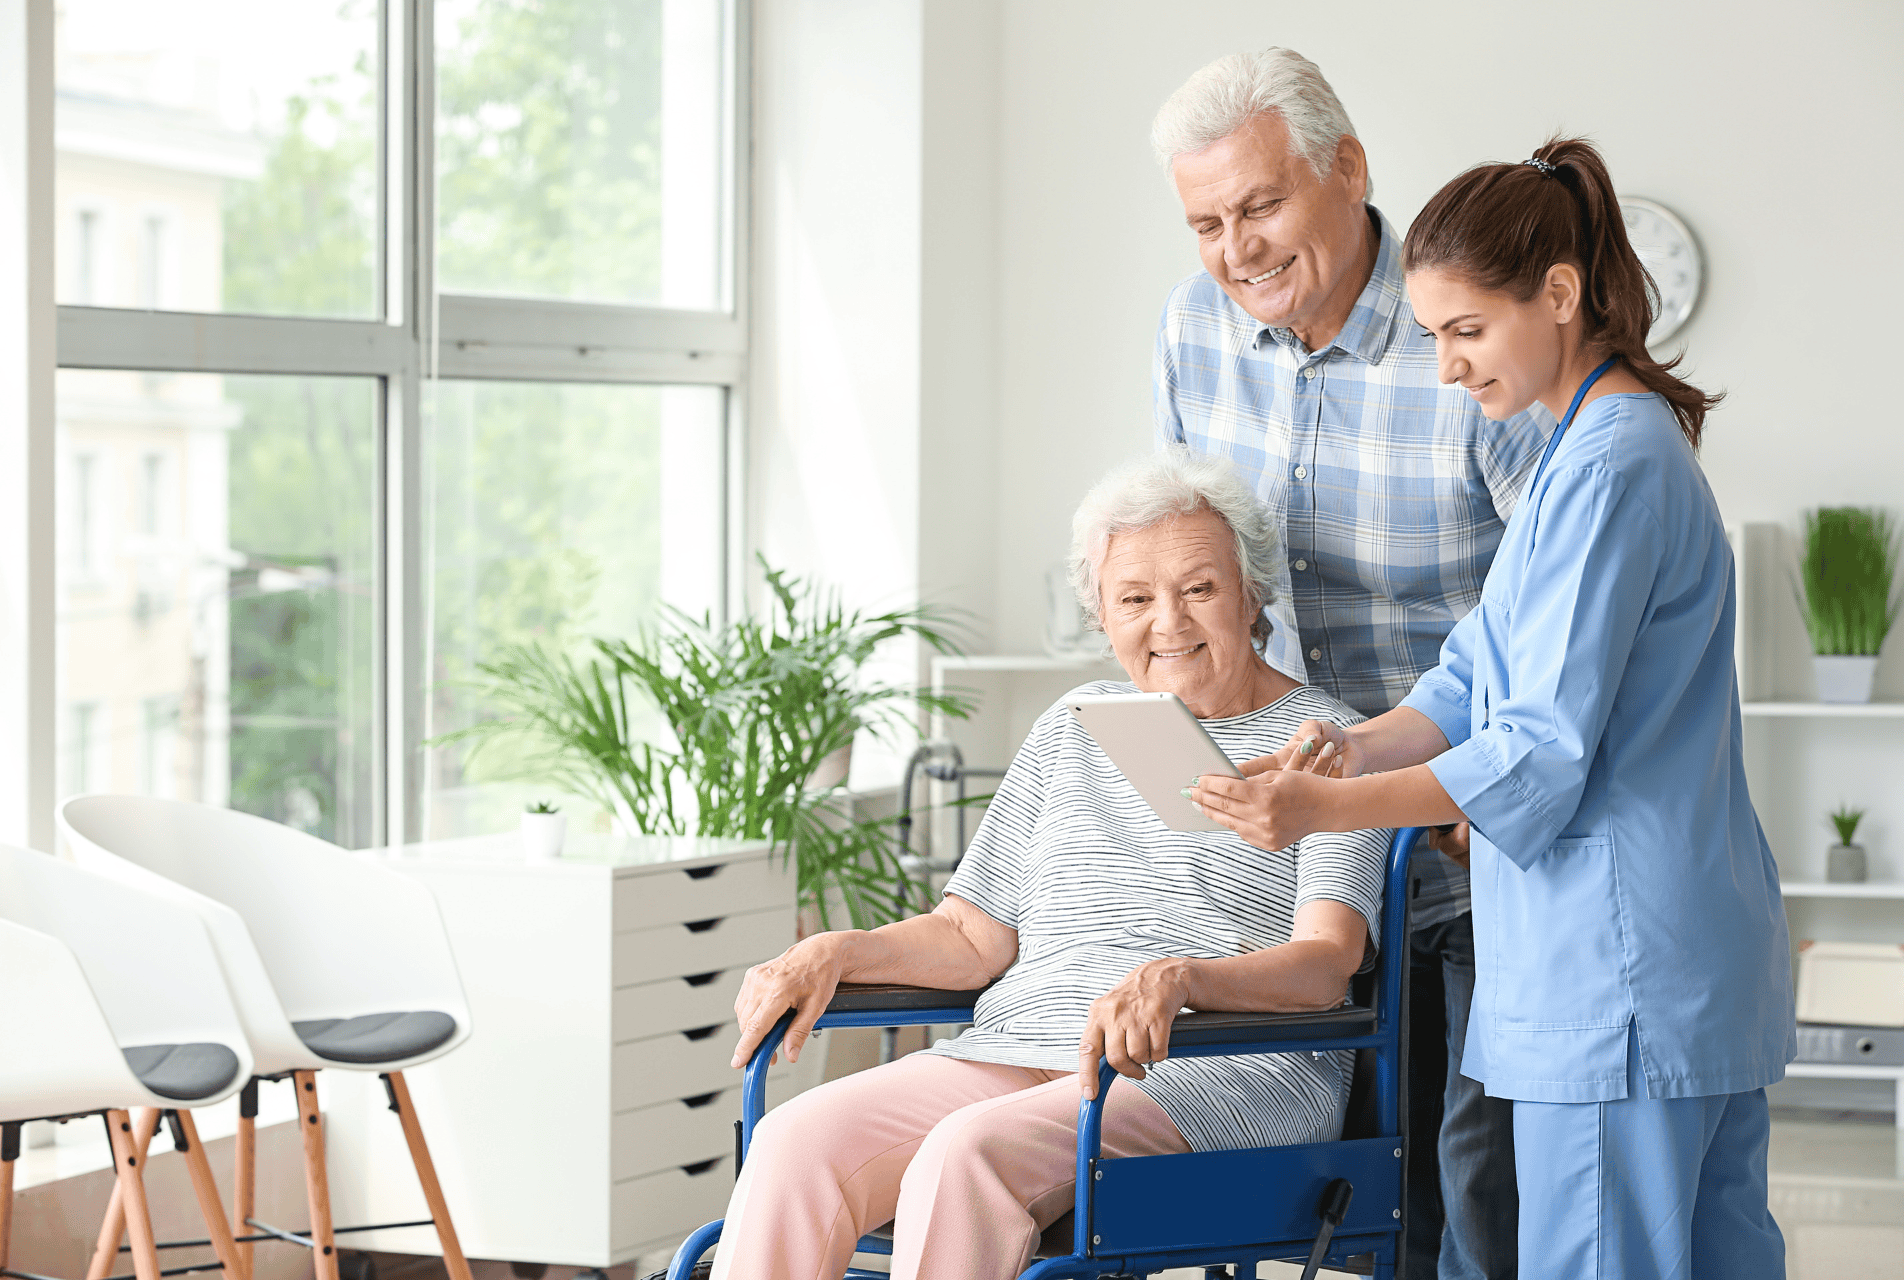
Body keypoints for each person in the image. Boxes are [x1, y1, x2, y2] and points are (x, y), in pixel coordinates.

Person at [1190, 136, 1795, 1276]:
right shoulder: (1583, 450)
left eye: (1467, 331)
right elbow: (1473, 673)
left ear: (1559, 295)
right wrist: (1342, 745)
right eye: (1430, 337)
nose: (1449, 369)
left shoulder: (1610, 463)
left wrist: (1333, 808)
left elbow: (1535, 751)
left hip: (1617, 973)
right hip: (1678, 965)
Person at [707, 451, 1391, 1280]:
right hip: (1022, 1046)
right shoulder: (1076, 723)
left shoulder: (1331, 745)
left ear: (1253, 596)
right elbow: (971, 935)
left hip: (1213, 1066)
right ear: (1101, 614)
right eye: (1134, 599)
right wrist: (835, 951)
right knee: (795, 1141)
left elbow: (1325, 966)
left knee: (966, 1154)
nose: (1167, 622)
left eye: (1199, 589)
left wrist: (1185, 980)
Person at [1149, 47, 1550, 1280]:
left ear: (1350, 169)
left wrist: (1473, 792)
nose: (1238, 249)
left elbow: (1558, 601)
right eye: (1208, 222)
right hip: (1305, 851)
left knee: (1478, 1191)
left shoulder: (1468, 335)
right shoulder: (1194, 330)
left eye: (1261, 205)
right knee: (1350, 1194)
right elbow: (1194, 568)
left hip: (1468, 832)